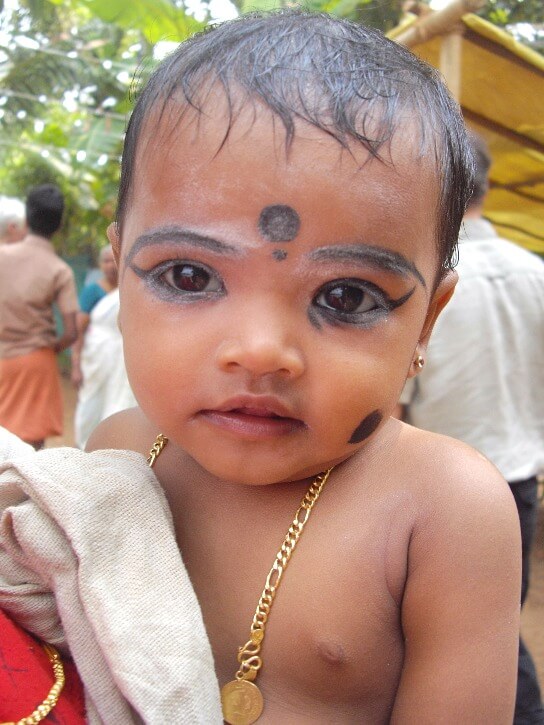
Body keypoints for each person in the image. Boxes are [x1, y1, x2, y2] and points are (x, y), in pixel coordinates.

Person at [0, 12, 522, 724]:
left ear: (427, 319)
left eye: (347, 296)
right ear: (120, 271)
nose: (259, 349)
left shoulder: (443, 509)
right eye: (188, 276)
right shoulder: (122, 454)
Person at [399, 132, 544, 724]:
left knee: (450, 645)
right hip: (518, 480)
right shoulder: (535, 272)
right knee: (494, 631)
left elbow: (396, 401)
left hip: (434, 494)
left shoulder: (422, 281)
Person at [0, 184, 78, 449]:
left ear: (27, 217)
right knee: (28, 454)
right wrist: (51, 348)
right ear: (58, 225)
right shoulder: (60, 270)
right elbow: (71, 332)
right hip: (36, 363)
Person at [71, 244, 136, 449]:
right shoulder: (93, 291)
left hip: (122, 355)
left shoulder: (130, 289)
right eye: (105, 261)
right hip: (96, 354)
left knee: (120, 400)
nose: (110, 265)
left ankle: (108, 448)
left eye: (113, 260)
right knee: (90, 399)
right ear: (100, 264)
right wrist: (75, 364)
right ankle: (83, 446)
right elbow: (79, 329)